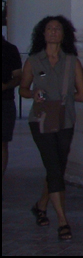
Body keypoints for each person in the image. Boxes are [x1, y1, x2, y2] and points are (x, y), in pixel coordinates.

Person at [19, 16, 83, 241]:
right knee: (53, 167)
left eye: (57, 29)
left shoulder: (71, 62)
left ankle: (40, 206)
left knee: (56, 168)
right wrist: (34, 94)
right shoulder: (33, 61)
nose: (53, 32)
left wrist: (64, 100)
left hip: (65, 120)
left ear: (64, 34)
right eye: (49, 29)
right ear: (42, 33)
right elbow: (23, 89)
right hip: (40, 121)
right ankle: (62, 220)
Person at [2, 32, 23, 176]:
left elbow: (18, 77)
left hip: (4, 102)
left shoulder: (9, 49)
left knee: (2, 143)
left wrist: (5, 86)